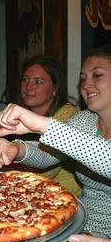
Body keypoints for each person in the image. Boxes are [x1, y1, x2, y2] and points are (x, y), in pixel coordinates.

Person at [0, 42, 111, 237]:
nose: (86, 85)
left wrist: (42, 124)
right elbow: (48, 156)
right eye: (83, 78)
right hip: (79, 229)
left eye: (97, 75)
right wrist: (16, 148)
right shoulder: (85, 120)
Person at [15, 55, 81, 196]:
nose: (29, 87)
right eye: (25, 80)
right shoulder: (24, 115)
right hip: (37, 196)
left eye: (38, 82)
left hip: (64, 200)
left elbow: (45, 171)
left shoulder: (68, 114)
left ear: (55, 89)